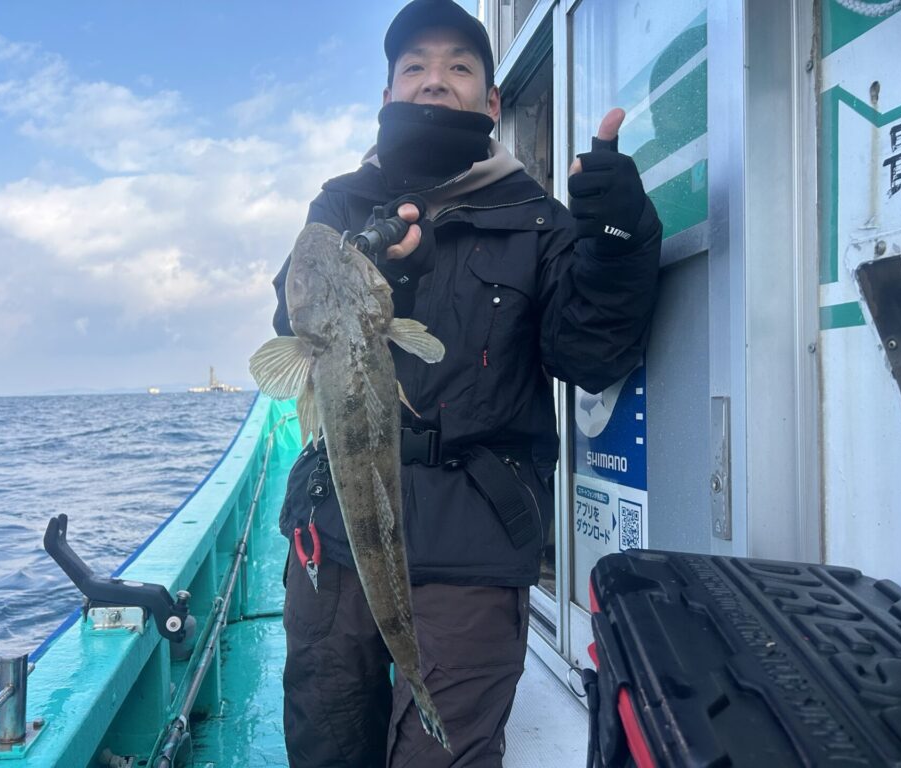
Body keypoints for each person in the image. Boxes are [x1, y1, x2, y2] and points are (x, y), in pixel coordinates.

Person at [270, 1, 661, 765]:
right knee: (325, 738)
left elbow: (590, 353)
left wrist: (617, 240)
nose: (433, 79)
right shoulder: (341, 204)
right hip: (337, 527)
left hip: (474, 539)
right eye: (414, 65)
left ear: (491, 100)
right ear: (387, 95)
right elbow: (292, 318)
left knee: (441, 754)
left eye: (457, 66)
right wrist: (387, 280)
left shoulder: (540, 220)